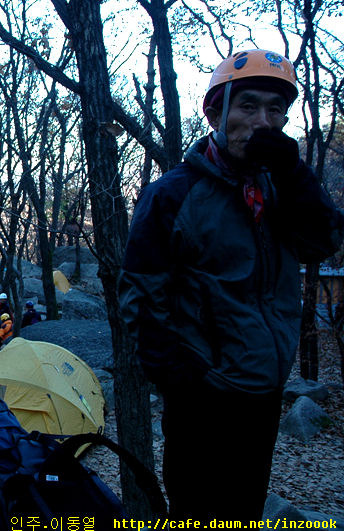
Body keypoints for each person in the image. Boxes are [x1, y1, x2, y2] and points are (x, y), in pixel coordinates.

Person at [119, 50, 344, 523]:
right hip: (202, 393)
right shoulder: (174, 193)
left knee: (242, 508)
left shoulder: (283, 187)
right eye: (248, 106)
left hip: (263, 386)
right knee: (197, 512)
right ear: (215, 112)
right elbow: (140, 294)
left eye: (275, 110)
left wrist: (296, 174)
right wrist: (181, 379)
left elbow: (322, 242)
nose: (263, 122)